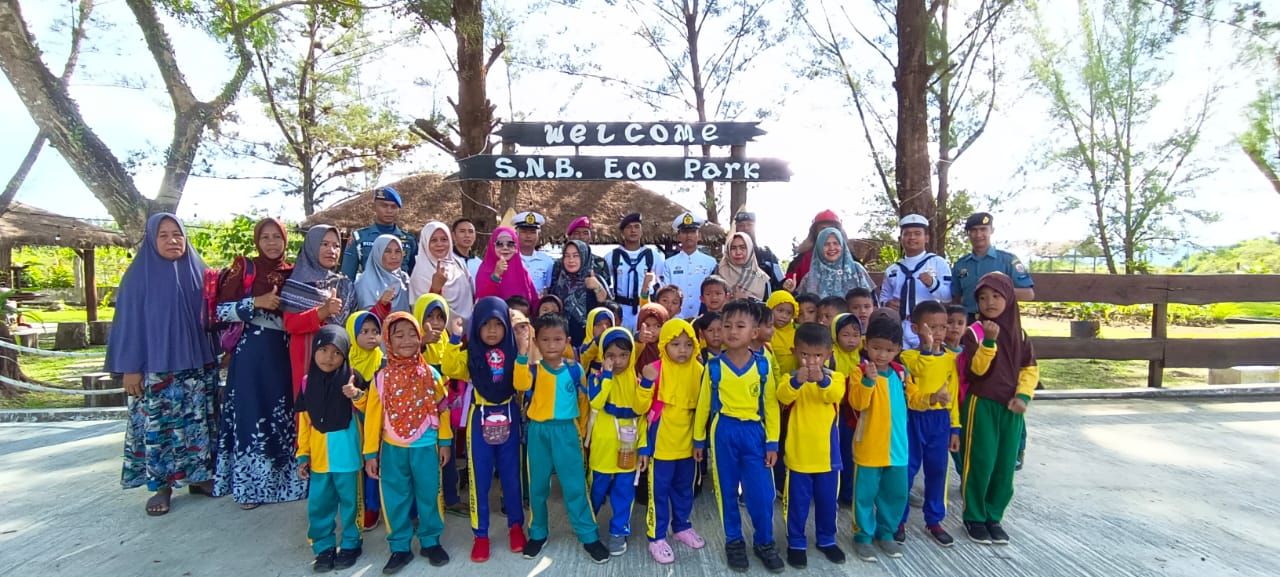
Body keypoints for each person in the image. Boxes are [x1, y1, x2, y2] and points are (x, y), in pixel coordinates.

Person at [107, 213, 219, 517]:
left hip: (197, 368)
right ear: (151, 239)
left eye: (177, 234)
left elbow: (215, 315)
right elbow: (128, 325)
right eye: (164, 235)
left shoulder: (199, 272)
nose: (172, 240)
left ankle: (200, 478)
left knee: (198, 422)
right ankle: (162, 487)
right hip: (157, 369)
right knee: (161, 428)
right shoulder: (137, 277)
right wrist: (130, 367)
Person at [213, 218, 307, 509]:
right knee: (252, 415)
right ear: (257, 241)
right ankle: (251, 488)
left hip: (284, 355)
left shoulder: (294, 272)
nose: (271, 242)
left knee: (282, 415)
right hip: (250, 357)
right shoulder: (245, 269)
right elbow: (219, 311)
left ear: (285, 240)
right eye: (265, 237)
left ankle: (288, 484)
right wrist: (255, 302)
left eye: (277, 236)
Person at [692, 299, 785, 573]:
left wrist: (772, 442)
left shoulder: (763, 366)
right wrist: (698, 440)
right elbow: (703, 406)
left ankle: (764, 542)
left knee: (762, 494)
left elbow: (770, 406)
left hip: (755, 433)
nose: (732, 331)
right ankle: (733, 541)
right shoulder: (714, 367)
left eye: (740, 326)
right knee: (727, 491)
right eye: (727, 326)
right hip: (724, 432)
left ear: (754, 332)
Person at [847, 315, 947, 563]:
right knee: (864, 495)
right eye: (876, 348)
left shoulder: (901, 373)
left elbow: (914, 399)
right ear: (866, 344)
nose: (882, 354)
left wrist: (933, 398)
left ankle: (886, 532)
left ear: (898, 349)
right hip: (869, 447)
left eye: (889, 349)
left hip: (898, 448)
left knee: (896, 494)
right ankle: (863, 536)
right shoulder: (859, 372)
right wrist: (869, 380)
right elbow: (857, 403)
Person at [514, 313, 612, 564]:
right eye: (545, 340)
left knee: (575, 485)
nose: (551, 345)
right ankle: (538, 533)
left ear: (567, 341)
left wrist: (583, 430)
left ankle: (588, 535)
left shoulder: (574, 369)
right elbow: (520, 384)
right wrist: (522, 352)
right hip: (539, 432)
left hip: (567, 432)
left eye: (557, 339)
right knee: (537, 486)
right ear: (537, 342)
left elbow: (583, 401)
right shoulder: (533, 370)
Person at [359, 313, 452, 573]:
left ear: (420, 337)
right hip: (393, 448)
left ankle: (430, 541)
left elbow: (442, 408)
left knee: (429, 494)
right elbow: (373, 418)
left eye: (412, 334)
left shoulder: (431, 374)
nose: (407, 341)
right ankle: (400, 547)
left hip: (426, 446)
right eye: (399, 335)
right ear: (388, 340)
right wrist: (370, 454)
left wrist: (445, 441)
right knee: (395, 498)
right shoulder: (381, 378)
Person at [441, 297, 527, 562]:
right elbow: (449, 367)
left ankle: (515, 526)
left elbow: (522, 383)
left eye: (498, 324)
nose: (492, 330)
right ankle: (481, 535)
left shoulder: (514, 351)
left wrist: (523, 350)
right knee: (479, 479)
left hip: (509, 416)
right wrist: (455, 339)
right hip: (480, 419)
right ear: (476, 325)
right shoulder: (471, 355)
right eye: (485, 324)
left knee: (511, 477)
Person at [959, 272, 1039, 546]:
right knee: (981, 461)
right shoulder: (975, 332)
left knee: (1005, 465)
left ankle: (994, 516)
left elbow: (1029, 369)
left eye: (996, 296)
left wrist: (1023, 396)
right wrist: (989, 343)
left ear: (1009, 298)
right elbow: (976, 371)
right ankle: (974, 516)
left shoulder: (1020, 334)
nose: (989, 302)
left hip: (1011, 408)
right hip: (982, 404)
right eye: (982, 298)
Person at [777, 323, 848, 568]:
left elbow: (835, 395)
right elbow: (782, 396)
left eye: (818, 355)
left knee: (828, 502)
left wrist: (822, 381)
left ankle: (827, 540)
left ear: (828, 354)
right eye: (805, 354)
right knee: (796, 505)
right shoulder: (789, 378)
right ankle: (796, 542)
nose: (811, 361)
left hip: (828, 457)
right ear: (795, 352)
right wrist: (797, 382)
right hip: (798, 456)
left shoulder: (835, 378)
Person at [636, 319, 707, 564]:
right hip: (662, 445)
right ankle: (656, 537)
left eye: (688, 344)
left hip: (688, 445)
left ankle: (682, 526)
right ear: (664, 345)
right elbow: (640, 408)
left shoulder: (699, 370)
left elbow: (703, 408)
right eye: (675, 344)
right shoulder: (655, 369)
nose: (683, 350)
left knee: (685, 488)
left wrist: (699, 442)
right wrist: (647, 383)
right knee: (659, 492)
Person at [297, 326, 364, 572]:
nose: (329, 357)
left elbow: (371, 409)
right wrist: (302, 454)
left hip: (348, 457)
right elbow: (305, 422)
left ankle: (351, 544)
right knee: (319, 505)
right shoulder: (307, 383)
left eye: (337, 352)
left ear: (345, 355)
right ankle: (323, 547)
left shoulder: (353, 377)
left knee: (351, 504)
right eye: (323, 350)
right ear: (315, 350)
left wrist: (356, 395)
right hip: (320, 459)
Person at [896, 300, 960, 547]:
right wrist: (927, 347)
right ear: (915, 329)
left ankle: (934, 520)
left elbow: (952, 395)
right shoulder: (908, 357)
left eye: (942, 327)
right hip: (914, 418)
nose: (938, 332)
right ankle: (898, 519)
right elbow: (921, 371)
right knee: (907, 470)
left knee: (938, 471)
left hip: (940, 421)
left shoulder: (951, 360)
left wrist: (955, 428)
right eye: (931, 327)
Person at [588, 328, 652, 557]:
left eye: (624, 355)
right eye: (611, 355)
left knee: (624, 491)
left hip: (628, 448)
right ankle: (588, 525)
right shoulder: (596, 377)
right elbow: (596, 402)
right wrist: (606, 376)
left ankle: (618, 530)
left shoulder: (636, 381)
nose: (617, 361)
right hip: (603, 448)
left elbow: (641, 414)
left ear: (632, 355)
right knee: (597, 489)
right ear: (603, 356)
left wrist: (643, 448)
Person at [283, 226, 356, 399]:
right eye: (324, 244)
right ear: (312, 246)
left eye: (336, 246)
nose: (332, 250)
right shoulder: (297, 283)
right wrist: (323, 311)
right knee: (308, 407)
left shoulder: (344, 284)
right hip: (307, 356)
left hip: (337, 356)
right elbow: (290, 325)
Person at [880, 214, 952, 350]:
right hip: (900, 326)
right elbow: (883, 298)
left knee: (927, 359)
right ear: (901, 239)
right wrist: (887, 303)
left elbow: (947, 296)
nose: (912, 237)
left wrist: (933, 284)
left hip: (928, 327)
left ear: (926, 238)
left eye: (917, 234)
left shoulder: (937, 263)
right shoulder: (893, 269)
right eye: (907, 234)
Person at [951, 212, 1035, 322]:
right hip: (969, 322)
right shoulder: (960, 264)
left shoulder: (1008, 261)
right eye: (973, 230)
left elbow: (1028, 294)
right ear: (968, 234)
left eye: (983, 229)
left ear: (992, 230)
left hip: (1000, 321)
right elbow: (956, 297)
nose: (978, 235)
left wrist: (998, 292)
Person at [345, 311, 386, 530]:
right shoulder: (345, 363)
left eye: (376, 331)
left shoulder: (383, 362)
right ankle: (357, 504)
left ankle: (373, 506)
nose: (372, 336)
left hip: (376, 422)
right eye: (364, 331)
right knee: (356, 463)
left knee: (374, 461)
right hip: (353, 422)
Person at [341, 186, 416, 280]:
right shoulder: (359, 237)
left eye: (393, 207)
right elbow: (347, 277)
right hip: (368, 288)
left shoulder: (409, 240)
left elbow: (415, 276)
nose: (389, 211)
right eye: (384, 206)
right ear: (374, 207)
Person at [410, 221, 476, 327]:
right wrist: (435, 289)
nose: (439, 244)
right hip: (437, 333)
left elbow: (473, 295)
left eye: (444, 239)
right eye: (433, 240)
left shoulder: (458, 264)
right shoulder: (420, 274)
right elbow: (421, 310)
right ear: (425, 243)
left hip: (467, 330)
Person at [547, 239, 611, 347]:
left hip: (590, 343)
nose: (571, 260)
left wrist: (597, 287)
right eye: (567, 256)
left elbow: (607, 306)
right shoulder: (559, 281)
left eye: (576, 256)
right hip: (563, 341)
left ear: (584, 256)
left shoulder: (595, 279)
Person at [608, 213, 664, 329]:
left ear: (642, 230)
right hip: (620, 310)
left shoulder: (653, 256)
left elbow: (663, 284)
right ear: (622, 232)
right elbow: (606, 284)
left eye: (636, 226)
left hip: (645, 308)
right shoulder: (612, 256)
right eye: (629, 227)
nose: (633, 230)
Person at [829, 314, 863, 506]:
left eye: (856, 335)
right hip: (835, 413)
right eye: (846, 335)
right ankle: (833, 491)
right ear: (835, 335)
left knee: (852, 453)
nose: (851, 340)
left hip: (856, 413)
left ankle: (849, 492)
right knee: (835, 451)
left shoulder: (863, 356)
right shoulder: (830, 356)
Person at [659, 212, 716, 318]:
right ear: (678, 236)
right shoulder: (669, 264)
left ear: (699, 236)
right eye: (685, 232)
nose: (689, 235)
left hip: (703, 319)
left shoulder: (710, 263)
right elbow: (665, 293)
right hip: (676, 318)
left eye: (693, 231)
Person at [798, 227, 873, 299]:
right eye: (826, 244)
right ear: (819, 248)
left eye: (835, 243)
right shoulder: (810, 277)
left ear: (842, 246)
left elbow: (872, 300)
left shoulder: (857, 269)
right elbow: (800, 303)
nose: (832, 248)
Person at [475, 226, 539, 306]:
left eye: (510, 244)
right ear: (492, 246)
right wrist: (496, 275)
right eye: (499, 244)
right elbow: (482, 302)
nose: (505, 248)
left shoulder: (522, 271)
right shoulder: (485, 270)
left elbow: (533, 301)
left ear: (516, 247)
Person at [354, 235, 412, 314]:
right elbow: (364, 317)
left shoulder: (404, 279)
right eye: (387, 251)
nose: (394, 256)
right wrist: (381, 305)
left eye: (398, 251)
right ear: (378, 253)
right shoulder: (364, 282)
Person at [785, 210, 845, 287]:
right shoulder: (802, 259)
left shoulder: (851, 260)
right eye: (823, 229)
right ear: (815, 232)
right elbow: (788, 281)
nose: (828, 232)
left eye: (832, 228)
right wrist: (788, 284)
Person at [733, 210, 788, 292]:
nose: (746, 228)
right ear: (736, 229)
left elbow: (781, 282)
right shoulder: (728, 256)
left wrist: (787, 286)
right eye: (741, 225)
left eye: (749, 225)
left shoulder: (766, 254)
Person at [714, 232, 770, 301]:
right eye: (733, 248)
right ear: (728, 250)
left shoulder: (761, 278)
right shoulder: (718, 271)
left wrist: (747, 299)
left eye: (743, 247)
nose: (738, 252)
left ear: (750, 249)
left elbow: (768, 306)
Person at [513, 211, 555, 294]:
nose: (528, 236)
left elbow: (549, 289)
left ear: (538, 235)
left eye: (533, 232)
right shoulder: (509, 258)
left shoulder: (547, 261)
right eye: (524, 231)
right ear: (516, 234)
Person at [767, 291, 800, 376]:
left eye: (789, 313)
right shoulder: (766, 333)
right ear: (770, 308)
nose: (784, 316)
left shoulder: (796, 334)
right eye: (780, 311)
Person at [635, 302, 669, 369]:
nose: (652, 330)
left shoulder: (670, 346)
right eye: (647, 325)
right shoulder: (635, 344)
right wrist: (639, 341)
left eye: (657, 326)